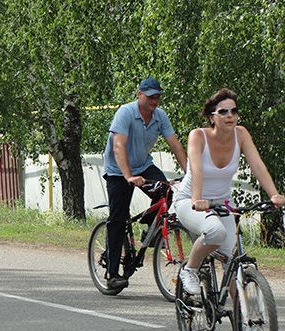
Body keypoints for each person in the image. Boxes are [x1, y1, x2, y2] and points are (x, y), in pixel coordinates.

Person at [174, 88, 285, 295]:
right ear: (212, 117)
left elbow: (258, 166)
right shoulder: (198, 136)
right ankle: (189, 269)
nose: (230, 116)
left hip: (223, 203)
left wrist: (274, 194)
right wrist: (198, 199)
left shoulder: (241, 134)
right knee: (216, 232)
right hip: (189, 200)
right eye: (223, 112)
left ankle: (243, 320)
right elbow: (197, 170)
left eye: (233, 111)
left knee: (232, 262)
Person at [102, 76, 187, 290]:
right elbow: (118, 146)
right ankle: (112, 274)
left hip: (143, 166)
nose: (154, 101)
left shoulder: (160, 117)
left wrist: (191, 173)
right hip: (117, 171)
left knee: (167, 192)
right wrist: (129, 176)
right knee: (118, 219)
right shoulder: (126, 113)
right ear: (139, 94)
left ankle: (149, 231)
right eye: (150, 97)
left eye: (157, 97)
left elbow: (175, 145)